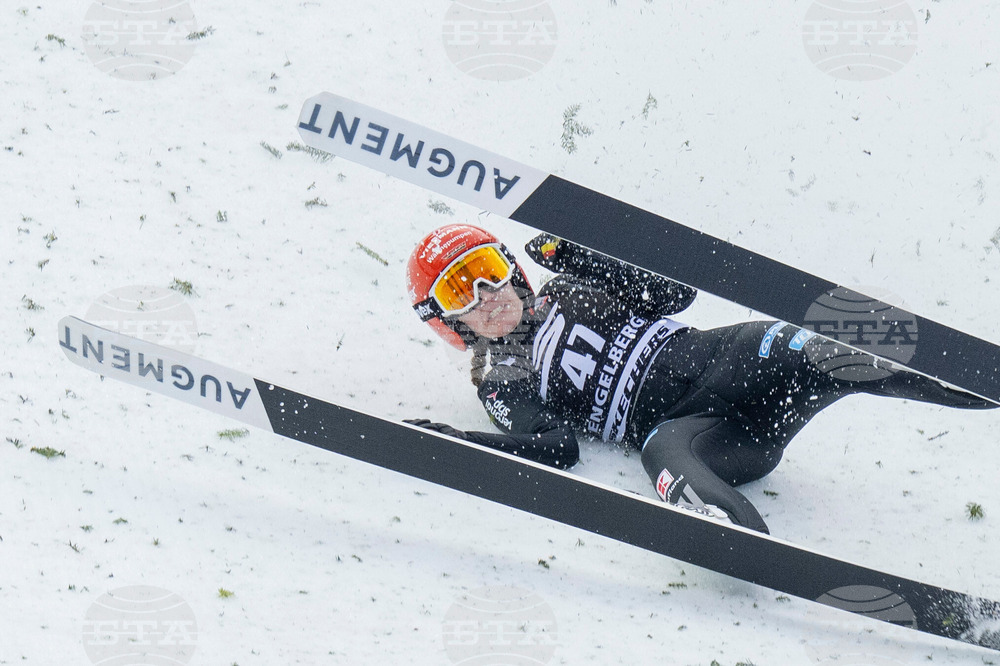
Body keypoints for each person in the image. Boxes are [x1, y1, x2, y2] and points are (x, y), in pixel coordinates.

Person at [403, 224, 994, 533]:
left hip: (734, 357)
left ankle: (975, 382)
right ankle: (740, 536)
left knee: (841, 362)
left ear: (511, 267)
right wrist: (460, 442)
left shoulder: (564, 288)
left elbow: (673, 293)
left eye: (487, 271)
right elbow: (554, 447)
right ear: (445, 322)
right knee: (659, 454)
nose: (487, 296)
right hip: (702, 432)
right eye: (461, 291)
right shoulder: (501, 377)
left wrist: (576, 256)